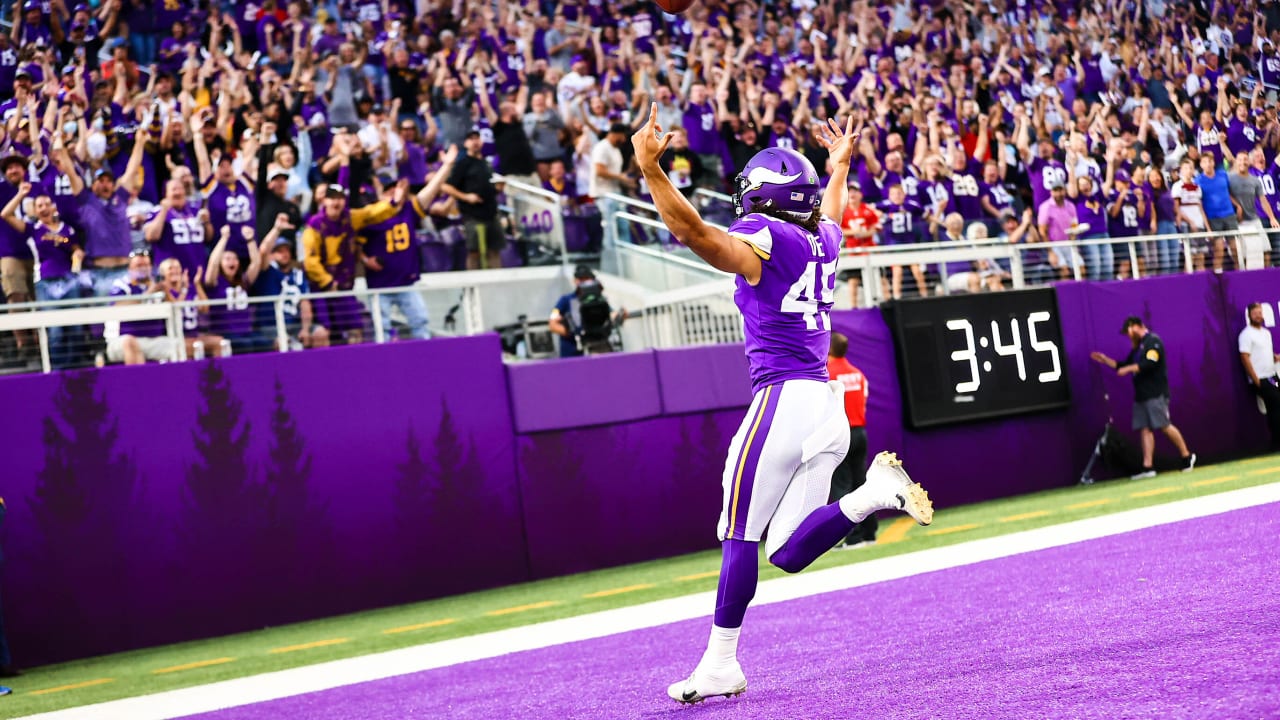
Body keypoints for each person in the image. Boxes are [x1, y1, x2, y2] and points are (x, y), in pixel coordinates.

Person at [632, 105, 932, 704]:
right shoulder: (823, 238)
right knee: (789, 551)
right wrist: (838, 168)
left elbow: (697, 236)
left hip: (783, 398)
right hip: (824, 407)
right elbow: (833, 214)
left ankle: (720, 664)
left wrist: (651, 172)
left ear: (763, 199)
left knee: (739, 534)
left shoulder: (766, 237)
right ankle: (874, 494)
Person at [1090, 316, 1196, 478]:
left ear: (1135, 326)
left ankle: (1187, 456)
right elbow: (1122, 365)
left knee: (1163, 425)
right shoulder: (1138, 347)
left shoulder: (1153, 341)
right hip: (1142, 395)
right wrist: (1105, 360)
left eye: (1128, 331)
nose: (1128, 335)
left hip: (1155, 393)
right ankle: (1148, 468)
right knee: (1145, 429)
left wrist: (1128, 370)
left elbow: (1150, 363)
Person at [826, 333, 875, 549]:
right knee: (860, 483)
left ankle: (851, 537)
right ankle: (869, 533)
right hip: (860, 432)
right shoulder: (858, 374)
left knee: (841, 486)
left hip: (840, 434)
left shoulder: (827, 374)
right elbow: (862, 402)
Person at [442, 130, 504, 270]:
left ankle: (498, 280)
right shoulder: (463, 163)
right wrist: (466, 197)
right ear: (466, 143)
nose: (475, 142)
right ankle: (473, 281)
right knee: (474, 251)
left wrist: (497, 188)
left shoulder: (485, 163)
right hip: (472, 214)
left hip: (491, 211)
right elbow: (446, 186)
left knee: (494, 249)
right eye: (471, 139)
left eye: (477, 138)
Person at [549, 265, 625, 357]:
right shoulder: (566, 300)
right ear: (575, 281)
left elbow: (611, 315)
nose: (584, 282)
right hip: (573, 353)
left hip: (598, 348)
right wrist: (573, 332)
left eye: (587, 279)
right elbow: (552, 324)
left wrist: (620, 316)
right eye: (581, 279)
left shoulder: (599, 300)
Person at [1238, 303, 1280, 450]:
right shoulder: (1246, 335)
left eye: (1260, 312)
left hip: (1272, 376)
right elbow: (1245, 357)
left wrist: (1274, 357)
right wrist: (1256, 380)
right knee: (1275, 406)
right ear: (1249, 315)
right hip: (1261, 379)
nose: (1259, 316)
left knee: (1276, 406)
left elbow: (1264, 353)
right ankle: (1276, 443)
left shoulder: (1266, 333)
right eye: (1255, 313)